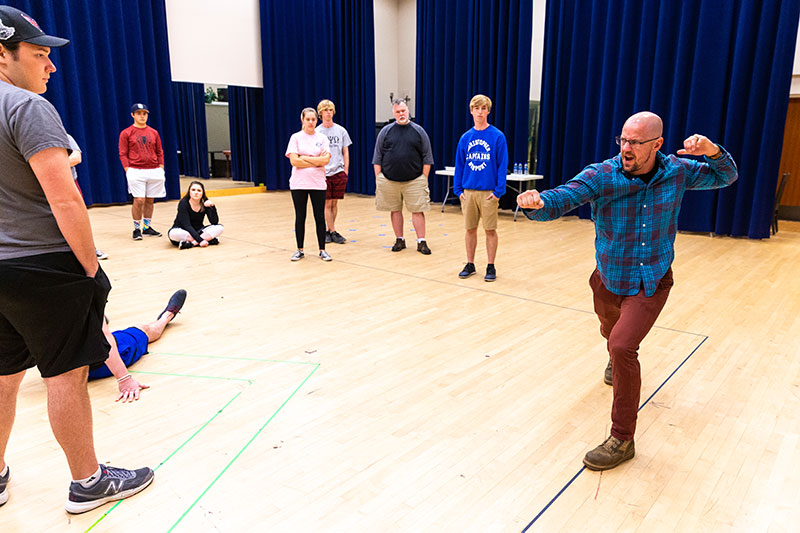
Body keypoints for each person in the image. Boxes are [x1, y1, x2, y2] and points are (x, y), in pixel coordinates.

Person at [517, 111, 738, 471]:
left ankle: (622, 438)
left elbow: (725, 176)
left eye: (635, 142)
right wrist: (539, 204)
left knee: (622, 345)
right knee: (610, 334)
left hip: (651, 281)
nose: (626, 149)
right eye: (623, 140)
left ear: (657, 144)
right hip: (608, 279)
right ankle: (613, 355)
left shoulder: (677, 172)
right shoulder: (603, 174)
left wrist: (712, 150)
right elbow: (566, 195)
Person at [0, 5, 153, 513]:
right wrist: (89, 271)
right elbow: (65, 199)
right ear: (3, 54)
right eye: (40, 54)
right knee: (65, 375)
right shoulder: (26, 108)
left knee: (3, 376)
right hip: (44, 268)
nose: (51, 66)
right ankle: (88, 482)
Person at [90, 290, 187, 402]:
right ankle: (166, 317)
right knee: (144, 329)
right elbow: (104, 339)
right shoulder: (79, 290)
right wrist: (124, 378)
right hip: (100, 362)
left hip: (71, 367)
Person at [453, 94, 508, 282]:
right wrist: (458, 190)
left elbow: (502, 165)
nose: (480, 112)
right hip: (468, 192)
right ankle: (470, 263)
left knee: (490, 230)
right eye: (477, 108)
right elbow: (459, 165)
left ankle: (491, 266)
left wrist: (498, 191)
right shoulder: (465, 138)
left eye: (483, 108)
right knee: (470, 229)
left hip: (488, 193)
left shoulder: (497, 137)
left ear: (488, 111)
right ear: (471, 111)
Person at [372, 99, 434, 254]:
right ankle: (399, 239)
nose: (401, 114)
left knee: (418, 210)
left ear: (408, 112)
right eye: (398, 112)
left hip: (414, 181)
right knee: (395, 210)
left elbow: (427, 157)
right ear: (394, 113)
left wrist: (423, 178)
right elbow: (377, 157)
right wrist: (379, 177)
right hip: (389, 180)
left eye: (403, 111)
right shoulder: (385, 132)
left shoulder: (419, 131)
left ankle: (421, 241)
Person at [285, 107, 332, 261]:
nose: (311, 122)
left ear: (316, 120)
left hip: (318, 183)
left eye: (313, 119)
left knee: (319, 216)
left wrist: (304, 158)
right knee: (300, 216)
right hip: (299, 184)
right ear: (302, 120)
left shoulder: (322, 138)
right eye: (308, 119)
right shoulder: (295, 138)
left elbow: (325, 160)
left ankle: (322, 249)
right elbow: (294, 161)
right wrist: (315, 160)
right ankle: (299, 249)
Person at [119, 102, 165, 240]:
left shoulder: (154, 132)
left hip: (154, 169)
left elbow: (159, 151)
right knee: (139, 199)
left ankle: (147, 227)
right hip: (136, 170)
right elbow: (122, 153)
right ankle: (136, 228)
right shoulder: (126, 133)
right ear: (132, 115)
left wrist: (161, 166)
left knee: (150, 200)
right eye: (139, 113)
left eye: (144, 113)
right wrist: (127, 169)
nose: (142, 116)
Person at [66, 133, 108, 260]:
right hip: (43, 186)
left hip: (69, 183)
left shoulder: (65, 137)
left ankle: (90, 249)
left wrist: (51, 165)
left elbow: (76, 158)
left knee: (79, 217)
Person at [316, 99, 352, 245]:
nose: (328, 113)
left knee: (335, 203)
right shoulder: (317, 132)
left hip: (338, 171)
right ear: (321, 113)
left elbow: (345, 151)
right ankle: (331, 231)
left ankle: (330, 230)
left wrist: (346, 170)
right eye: (325, 110)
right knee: (326, 203)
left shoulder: (341, 130)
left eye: (330, 110)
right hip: (324, 172)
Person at [167, 181, 224, 249]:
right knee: (173, 234)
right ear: (189, 192)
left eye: (199, 190)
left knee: (220, 228)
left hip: (198, 231)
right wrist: (200, 240)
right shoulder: (183, 203)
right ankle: (208, 240)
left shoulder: (204, 203)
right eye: (193, 190)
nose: (196, 192)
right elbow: (186, 225)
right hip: (184, 231)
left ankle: (191, 244)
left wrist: (212, 207)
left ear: (202, 193)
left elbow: (214, 222)